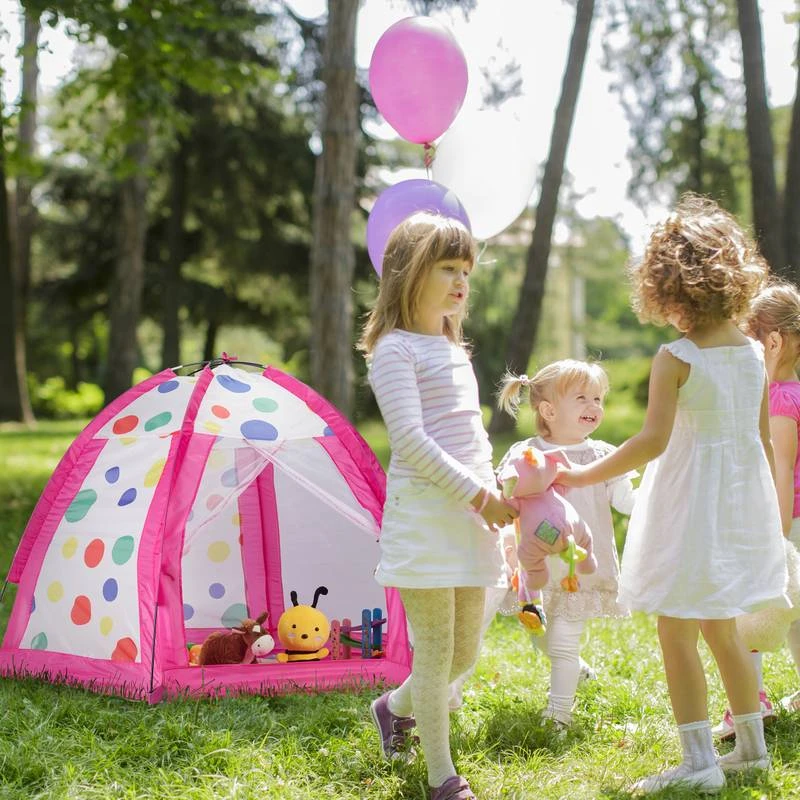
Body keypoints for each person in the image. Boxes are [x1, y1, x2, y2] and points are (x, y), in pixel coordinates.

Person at [555, 194, 789, 794]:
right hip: (737, 501)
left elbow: (652, 441)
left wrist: (583, 475)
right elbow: (761, 441)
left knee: (676, 629)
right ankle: (753, 752)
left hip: (688, 504)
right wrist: (764, 517)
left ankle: (698, 763)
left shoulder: (675, 358)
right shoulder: (753, 353)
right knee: (723, 627)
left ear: (668, 290)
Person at [358, 212, 518, 800]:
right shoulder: (395, 351)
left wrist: (497, 487)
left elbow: (467, 437)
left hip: (471, 515)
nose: (460, 282)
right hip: (428, 518)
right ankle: (442, 778)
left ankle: (392, 707)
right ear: (409, 272)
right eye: (447, 268)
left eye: (466, 271)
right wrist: (479, 496)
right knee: (435, 651)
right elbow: (413, 442)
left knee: (464, 650)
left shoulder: (453, 348)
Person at [486, 360, 637, 733]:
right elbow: (502, 498)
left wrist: (665, 495)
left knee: (565, 640)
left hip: (579, 569)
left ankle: (559, 715)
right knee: (542, 636)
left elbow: (626, 502)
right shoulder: (526, 455)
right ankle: (578, 671)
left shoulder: (602, 455)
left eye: (598, 399)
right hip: (534, 571)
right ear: (549, 410)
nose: (594, 407)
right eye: (582, 398)